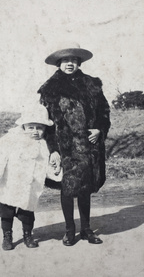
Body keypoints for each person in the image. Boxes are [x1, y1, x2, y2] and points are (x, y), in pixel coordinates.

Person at [38, 42, 111, 246]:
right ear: (58, 63)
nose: (70, 63)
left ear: (79, 62)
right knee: (68, 189)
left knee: (85, 189)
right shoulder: (50, 89)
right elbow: (48, 123)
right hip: (66, 149)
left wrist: (100, 129)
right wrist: (53, 150)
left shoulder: (92, 85)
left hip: (90, 147)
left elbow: (104, 112)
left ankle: (86, 229)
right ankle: (70, 231)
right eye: (65, 60)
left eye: (73, 60)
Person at [0, 103, 60, 250]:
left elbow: (47, 163)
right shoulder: (12, 138)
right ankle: (7, 236)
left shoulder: (43, 144)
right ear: (24, 126)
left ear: (45, 129)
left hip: (30, 184)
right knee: (6, 210)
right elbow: (0, 153)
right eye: (31, 127)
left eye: (40, 128)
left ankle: (28, 235)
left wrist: (55, 171)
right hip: (8, 181)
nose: (35, 131)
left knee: (27, 211)